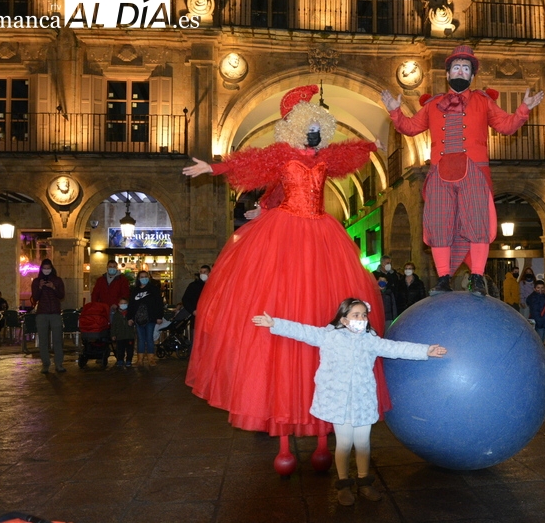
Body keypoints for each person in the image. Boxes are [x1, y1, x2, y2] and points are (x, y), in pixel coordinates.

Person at [181, 84, 390, 474]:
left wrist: (371, 146)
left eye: (318, 127)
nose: (313, 133)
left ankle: (323, 436)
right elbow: (249, 164)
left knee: (327, 322)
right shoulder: (280, 156)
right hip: (287, 236)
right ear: (293, 127)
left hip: (323, 239)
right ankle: (283, 441)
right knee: (284, 321)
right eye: (307, 126)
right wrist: (213, 168)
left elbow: (347, 154)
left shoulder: (325, 157)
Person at [381, 45, 544, 295]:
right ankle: (443, 278)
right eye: (456, 67)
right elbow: (410, 127)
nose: (460, 71)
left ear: (472, 75)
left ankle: (477, 277)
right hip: (440, 172)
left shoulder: (483, 101)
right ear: (448, 74)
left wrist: (524, 109)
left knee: (478, 224)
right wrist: (395, 110)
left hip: (474, 171)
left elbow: (506, 126)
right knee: (439, 225)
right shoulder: (433, 104)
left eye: (466, 68)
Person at [251, 298, 446, 506]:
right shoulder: (329, 336)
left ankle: (364, 482)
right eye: (355, 315)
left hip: (362, 400)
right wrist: (275, 323)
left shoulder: (370, 340)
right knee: (344, 443)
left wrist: (425, 351)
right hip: (339, 401)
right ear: (344, 319)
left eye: (364, 315)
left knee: (363, 443)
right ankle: (343, 484)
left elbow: (395, 348)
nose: (361, 319)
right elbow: (302, 331)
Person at [31, 259, 66, 374]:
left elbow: (61, 295)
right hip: (42, 313)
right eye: (44, 268)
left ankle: (59, 364)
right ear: (41, 269)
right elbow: (35, 297)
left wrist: (53, 287)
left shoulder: (57, 280)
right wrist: (40, 287)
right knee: (43, 340)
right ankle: (45, 364)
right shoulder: (36, 281)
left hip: (55, 313)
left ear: (52, 268)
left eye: (48, 268)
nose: (46, 270)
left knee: (57, 339)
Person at [126, 270, 164, 367]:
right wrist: (129, 317)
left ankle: (151, 359)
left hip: (150, 318)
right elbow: (131, 305)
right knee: (140, 339)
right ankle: (140, 359)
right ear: (138, 278)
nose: (144, 278)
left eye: (145, 276)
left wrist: (159, 316)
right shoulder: (135, 290)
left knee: (149, 338)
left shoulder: (154, 289)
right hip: (138, 319)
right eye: (142, 277)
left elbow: (159, 303)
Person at [181, 264, 210, 335]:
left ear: (209, 273)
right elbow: (185, 299)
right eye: (201, 272)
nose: (202, 274)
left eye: (205, 272)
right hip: (197, 319)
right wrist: (193, 311)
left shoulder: (213, 285)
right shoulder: (193, 286)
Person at [111, 297, 136, 367]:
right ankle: (120, 360)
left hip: (129, 336)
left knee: (130, 350)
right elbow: (113, 325)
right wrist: (113, 334)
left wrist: (132, 322)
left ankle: (129, 360)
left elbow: (135, 322)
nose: (123, 305)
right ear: (119, 304)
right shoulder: (116, 314)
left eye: (125, 303)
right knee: (120, 349)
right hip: (120, 336)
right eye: (122, 303)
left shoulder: (130, 314)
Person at [526, 280, 545, 345]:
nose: (540, 289)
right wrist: (540, 323)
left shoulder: (543, 296)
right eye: (538, 288)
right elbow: (535, 312)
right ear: (534, 289)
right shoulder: (534, 298)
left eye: (542, 287)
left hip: (544, 322)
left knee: (541, 340)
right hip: (540, 323)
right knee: (539, 342)